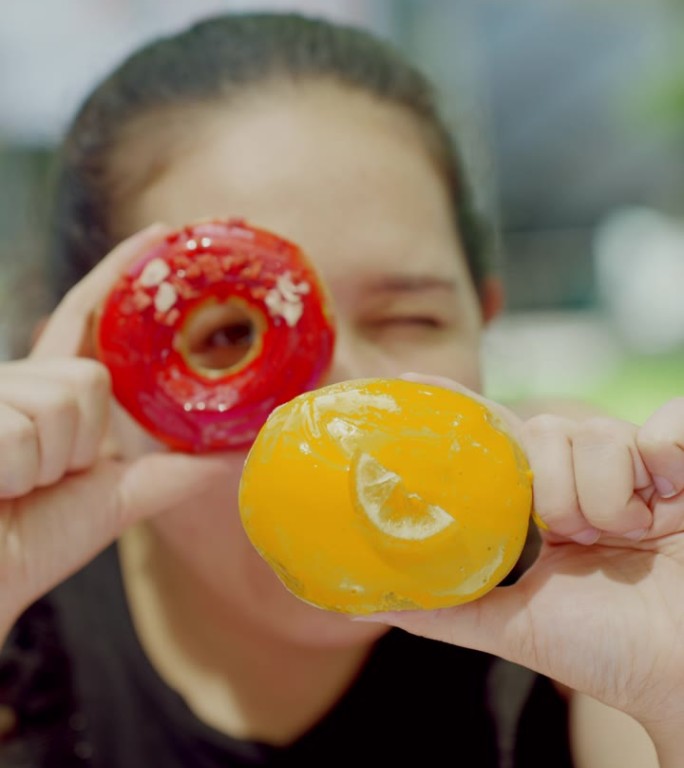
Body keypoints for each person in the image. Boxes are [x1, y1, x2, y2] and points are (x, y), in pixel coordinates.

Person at [0, 10, 682, 767]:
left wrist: (667, 673)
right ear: (84, 378)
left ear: (483, 321)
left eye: (411, 318)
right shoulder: (27, 636)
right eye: (229, 339)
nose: (343, 398)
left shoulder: (576, 610)